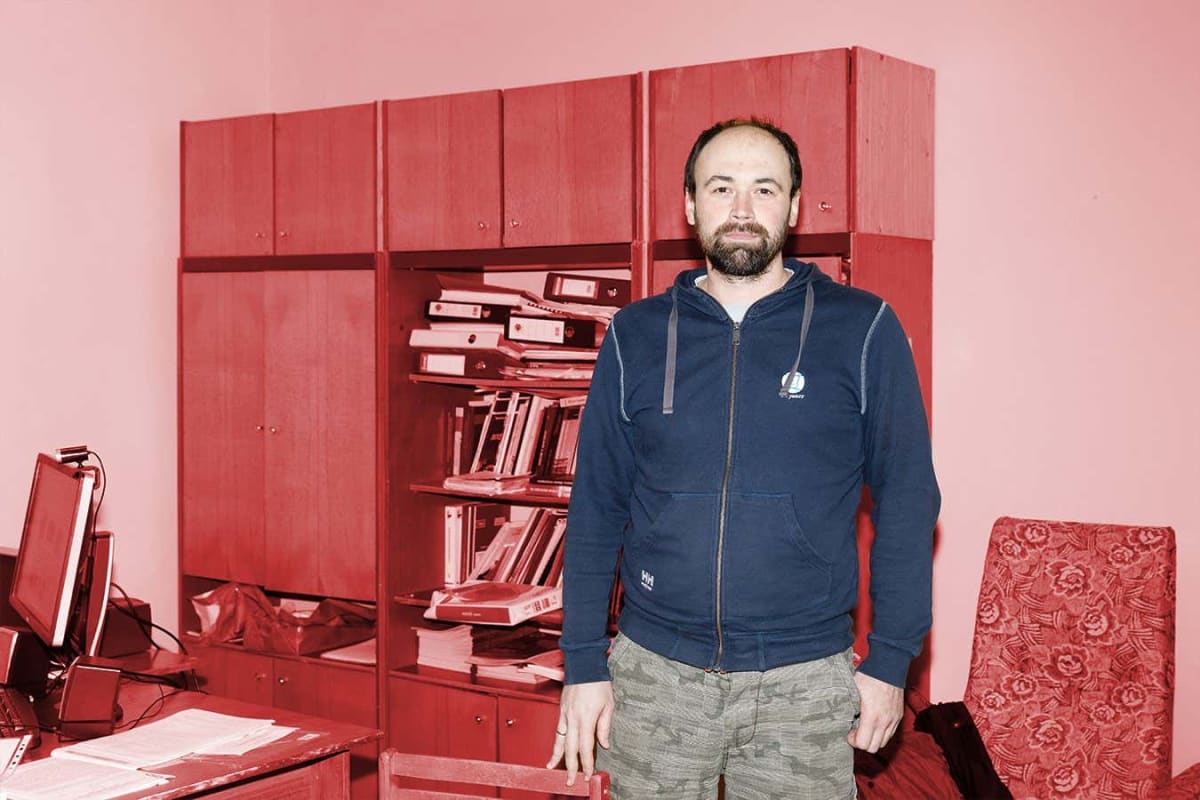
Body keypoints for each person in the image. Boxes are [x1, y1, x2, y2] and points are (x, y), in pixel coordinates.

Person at [546, 118, 940, 799]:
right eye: (721, 187)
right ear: (691, 205)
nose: (741, 209)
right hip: (653, 679)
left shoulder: (863, 328)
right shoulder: (634, 335)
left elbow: (908, 501)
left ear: (792, 207)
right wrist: (583, 663)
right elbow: (596, 509)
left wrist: (891, 664)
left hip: (805, 684)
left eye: (764, 189)